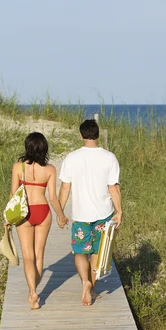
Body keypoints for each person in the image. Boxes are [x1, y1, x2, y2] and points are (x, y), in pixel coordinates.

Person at [58, 119, 122, 307]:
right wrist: (119, 211)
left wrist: (60, 213)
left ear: (81, 135)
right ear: (98, 134)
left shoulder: (72, 158)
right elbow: (113, 187)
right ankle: (92, 288)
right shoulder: (109, 157)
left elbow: (64, 188)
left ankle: (85, 282)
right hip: (104, 213)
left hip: (81, 214)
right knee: (96, 252)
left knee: (80, 252)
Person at [7, 132, 68, 310]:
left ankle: (33, 292)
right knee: (39, 255)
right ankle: (34, 291)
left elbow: (13, 194)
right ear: (44, 148)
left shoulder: (18, 167)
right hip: (42, 212)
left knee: (28, 256)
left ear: (27, 147)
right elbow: (53, 198)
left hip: (24, 213)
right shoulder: (50, 170)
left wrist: (7, 218)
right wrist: (61, 216)